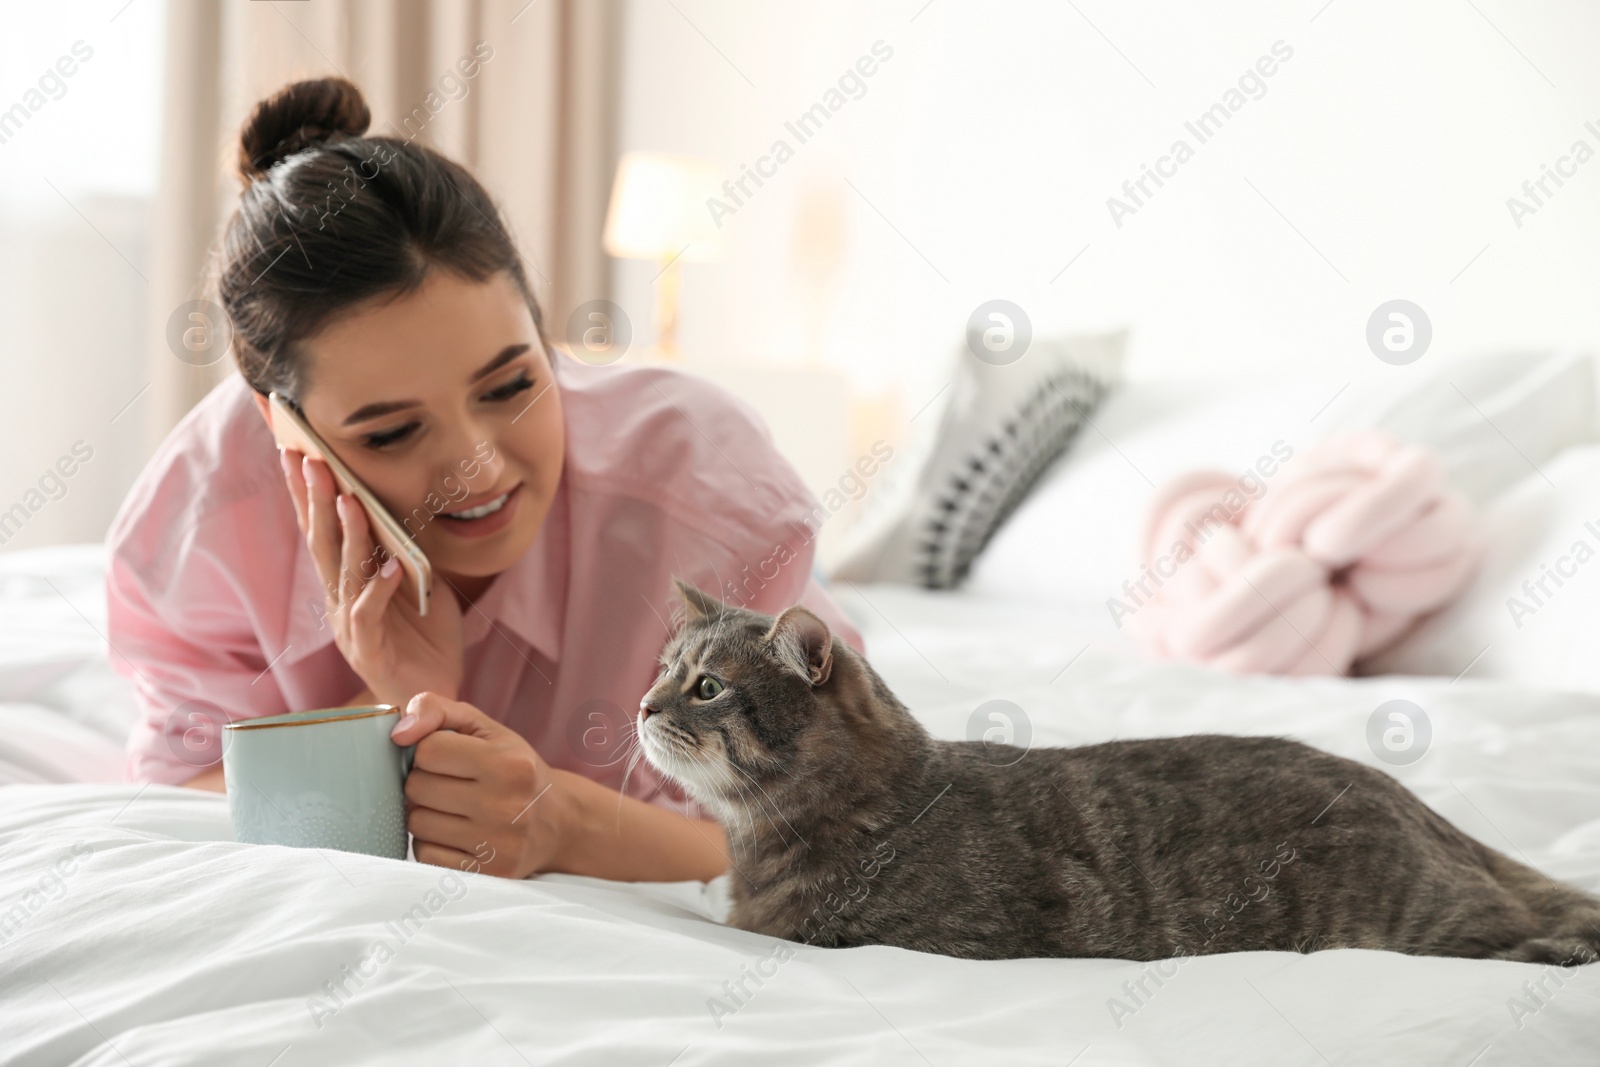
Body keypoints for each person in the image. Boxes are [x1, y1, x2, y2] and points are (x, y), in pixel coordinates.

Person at [106, 76, 862, 883]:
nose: (483, 468)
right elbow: (180, 799)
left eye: (510, 386)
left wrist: (566, 822)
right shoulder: (200, 524)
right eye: (392, 431)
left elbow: (836, 827)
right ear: (283, 427)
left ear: (544, 333)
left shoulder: (707, 496)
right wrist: (386, 708)